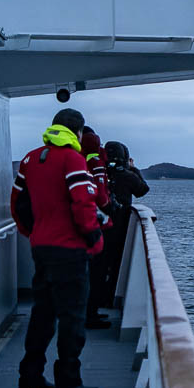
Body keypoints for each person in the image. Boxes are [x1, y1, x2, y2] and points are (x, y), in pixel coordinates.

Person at [10, 108, 106, 388]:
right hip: (70, 249)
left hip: (41, 247)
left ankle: (30, 377)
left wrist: (34, 233)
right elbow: (83, 203)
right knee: (72, 317)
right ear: (77, 132)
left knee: (42, 313)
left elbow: (18, 203)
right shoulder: (72, 159)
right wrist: (94, 237)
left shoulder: (30, 158)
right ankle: (68, 380)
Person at [102, 141, 149, 306]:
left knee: (97, 265)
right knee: (115, 263)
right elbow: (142, 190)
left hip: (97, 226)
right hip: (119, 226)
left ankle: (93, 302)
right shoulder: (127, 176)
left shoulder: (99, 174)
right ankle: (108, 299)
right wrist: (133, 169)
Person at [81, 126, 116, 330]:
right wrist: (110, 207)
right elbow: (101, 194)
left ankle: (88, 312)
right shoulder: (96, 163)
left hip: (82, 225)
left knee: (86, 273)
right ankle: (90, 314)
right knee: (96, 272)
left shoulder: (77, 159)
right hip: (98, 225)